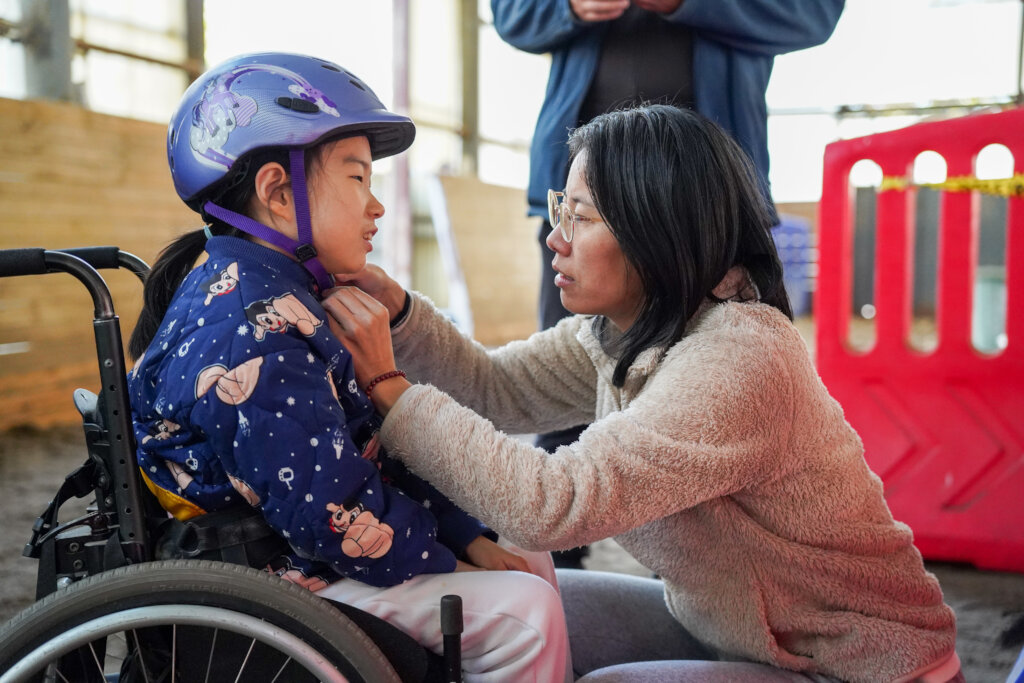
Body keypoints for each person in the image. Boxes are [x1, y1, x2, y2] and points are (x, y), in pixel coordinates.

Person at [324, 105, 962, 682]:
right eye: (559, 208)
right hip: (735, 636)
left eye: (581, 216)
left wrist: (387, 386)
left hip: (858, 667)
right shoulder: (624, 331)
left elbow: (552, 504)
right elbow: (497, 389)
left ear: (657, 227)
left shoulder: (740, 357)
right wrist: (402, 315)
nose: (556, 237)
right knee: (521, 607)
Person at [126, 51, 571, 683]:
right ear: (279, 195)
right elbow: (330, 511)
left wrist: (468, 536)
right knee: (524, 617)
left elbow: (367, 454)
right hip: (275, 573)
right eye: (358, 179)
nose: (377, 207)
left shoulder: (286, 299)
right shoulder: (251, 334)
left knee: (528, 550)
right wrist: (455, 561)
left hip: (308, 546)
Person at [492, 3, 844, 568]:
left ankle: (699, 573)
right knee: (567, 378)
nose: (560, 242)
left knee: (702, 381)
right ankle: (562, 569)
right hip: (583, 180)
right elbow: (513, 14)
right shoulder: (573, 228)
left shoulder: (745, 344)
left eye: (575, 222)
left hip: (703, 203)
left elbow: (812, 14)